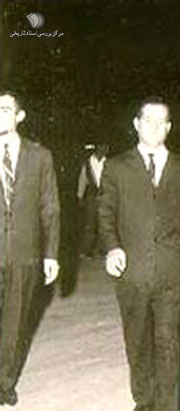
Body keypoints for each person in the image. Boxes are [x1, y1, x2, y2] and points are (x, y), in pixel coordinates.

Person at [99, 97, 180, 411]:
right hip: (132, 271)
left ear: (169, 127)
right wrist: (112, 247)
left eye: (161, 122)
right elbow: (105, 214)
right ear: (136, 124)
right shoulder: (116, 166)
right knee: (137, 340)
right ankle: (143, 400)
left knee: (168, 340)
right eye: (148, 120)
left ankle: (167, 406)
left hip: (172, 270)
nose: (155, 127)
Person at [0, 90, 60, 406]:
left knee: (14, 325)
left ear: (20, 116)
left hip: (24, 254)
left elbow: (50, 207)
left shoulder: (40, 156)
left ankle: (4, 384)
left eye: (4, 109)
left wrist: (51, 254)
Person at [76, 143, 109, 257]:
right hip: (91, 197)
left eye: (106, 147)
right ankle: (86, 250)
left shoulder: (109, 163)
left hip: (105, 197)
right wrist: (80, 196)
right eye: (102, 146)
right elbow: (82, 180)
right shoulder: (87, 163)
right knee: (90, 223)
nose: (104, 149)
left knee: (104, 223)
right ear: (97, 148)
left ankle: (102, 249)